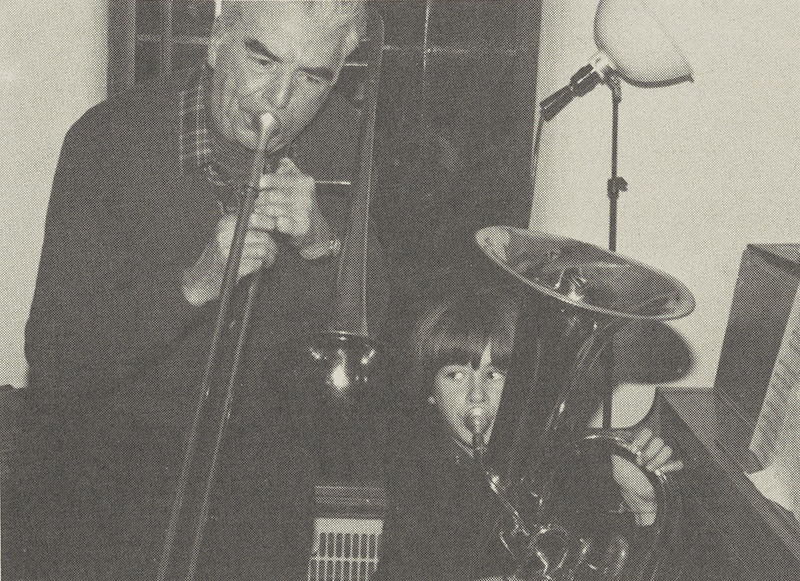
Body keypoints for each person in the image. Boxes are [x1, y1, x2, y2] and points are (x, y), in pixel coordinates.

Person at [2, 2, 386, 579]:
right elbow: (55, 357)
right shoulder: (109, 141)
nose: (279, 99)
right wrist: (198, 282)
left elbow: (372, 328)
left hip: (260, 495)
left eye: (313, 76)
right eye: (262, 58)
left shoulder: (343, 144)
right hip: (109, 486)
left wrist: (321, 245)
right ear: (215, 41)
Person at [375, 288, 683, 581]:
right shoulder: (415, 479)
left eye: (495, 375)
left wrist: (646, 507)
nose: (476, 395)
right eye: (456, 375)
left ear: (520, 387)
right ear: (431, 390)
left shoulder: (574, 469)